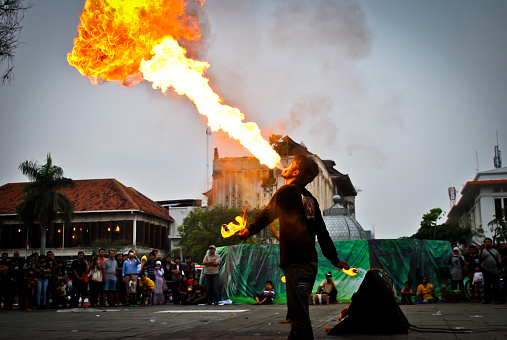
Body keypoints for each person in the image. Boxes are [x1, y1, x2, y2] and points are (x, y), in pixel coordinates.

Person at [238, 154, 350, 340]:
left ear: (296, 172)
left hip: (297, 265)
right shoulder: (310, 199)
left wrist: (248, 231)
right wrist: (335, 260)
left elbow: (267, 214)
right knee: (298, 314)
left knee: (299, 319)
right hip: (309, 264)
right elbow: (322, 233)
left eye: (291, 164)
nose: (286, 166)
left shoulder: (286, 192)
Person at [480, 238, 503, 304]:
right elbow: (480, 258)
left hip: (494, 270)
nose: (487, 243)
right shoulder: (483, 251)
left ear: (491, 243)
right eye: (486, 242)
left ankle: (497, 299)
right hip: (486, 270)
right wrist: (481, 250)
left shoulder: (495, 251)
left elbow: (499, 261)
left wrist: (501, 270)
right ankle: (487, 299)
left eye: (488, 242)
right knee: (487, 286)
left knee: (495, 285)